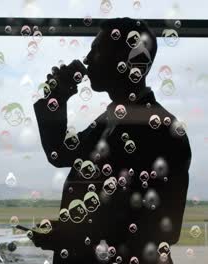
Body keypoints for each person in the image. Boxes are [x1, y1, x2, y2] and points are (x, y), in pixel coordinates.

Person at [31, 17, 191, 264]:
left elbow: (162, 229)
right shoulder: (110, 121)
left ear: (126, 61)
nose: (86, 59)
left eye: (96, 50)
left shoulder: (164, 131)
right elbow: (60, 152)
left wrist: (73, 235)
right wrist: (58, 98)